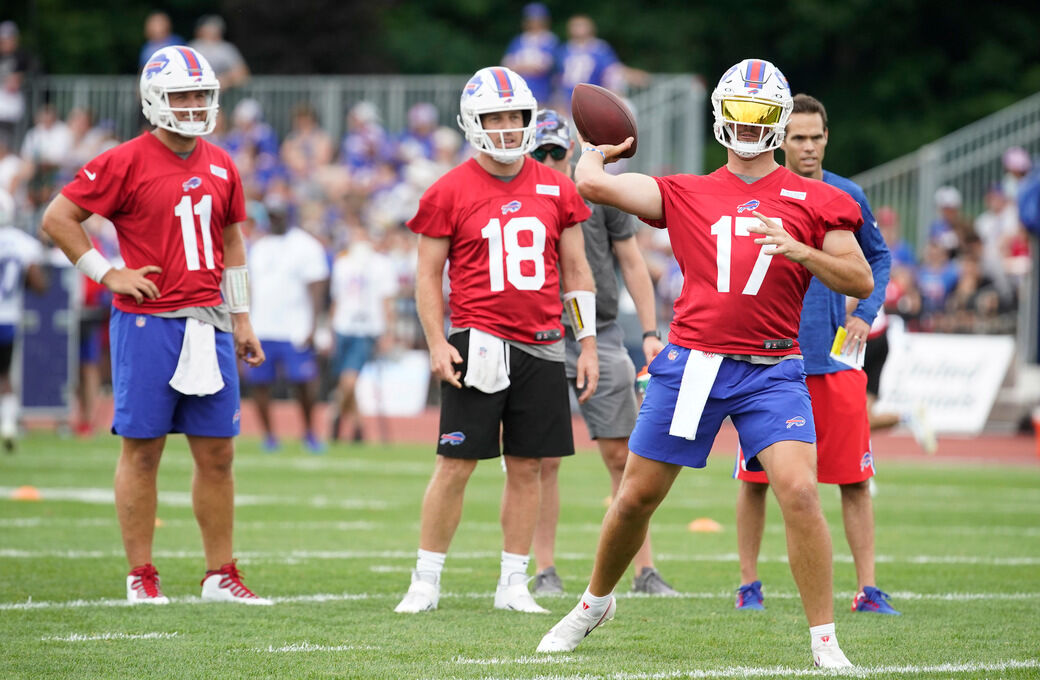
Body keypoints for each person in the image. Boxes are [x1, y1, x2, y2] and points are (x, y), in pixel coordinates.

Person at [537, 59, 873, 669]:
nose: (747, 126)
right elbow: (592, 185)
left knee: (799, 490)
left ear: (776, 121)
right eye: (738, 113)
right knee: (637, 497)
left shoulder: (817, 199)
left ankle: (825, 639)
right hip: (694, 362)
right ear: (721, 117)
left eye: (760, 114)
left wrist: (798, 249)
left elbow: (860, 276)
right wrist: (596, 147)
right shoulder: (687, 191)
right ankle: (593, 602)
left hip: (772, 368)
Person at [40, 45, 271, 605]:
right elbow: (58, 216)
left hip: (210, 322)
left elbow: (232, 240)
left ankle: (220, 575)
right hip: (149, 323)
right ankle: (141, 575)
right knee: (142, 450)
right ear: (154, 100)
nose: (193, 106)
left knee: (218, 453)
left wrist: (241, 317)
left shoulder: (220, 162)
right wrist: (107, 271)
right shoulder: (125, 159)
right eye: (182, 96)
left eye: (200, 95)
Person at [394, 66, 598, 615]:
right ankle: (426, 579)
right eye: (495, 117)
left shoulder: (558, 186)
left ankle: (513, 582)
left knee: (529, 465)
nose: (508, 128)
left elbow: (577, 271)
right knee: (455, 463)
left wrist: (590, 343)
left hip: (542, 343)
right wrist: (437, 341)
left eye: (515, 116)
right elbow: (426, 276)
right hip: (477, 339)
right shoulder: (447, 190)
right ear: (472, 122)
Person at [731, 93, 899, 619]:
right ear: (781, 138)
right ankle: (748, 586)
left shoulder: (846, 194)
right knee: (755, 481)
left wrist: (864, 313)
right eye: (797, 137)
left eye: (815, 136)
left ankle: (868, 589)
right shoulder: (761, 193)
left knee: (853, 477)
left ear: (827, 137)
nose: (807, 146)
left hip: (835, 360)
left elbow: (880, 256)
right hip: (769, 360)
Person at [525, 109, 675, 597]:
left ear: (571, 150)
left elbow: (631, 261)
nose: (548, 160)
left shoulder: (593, 191)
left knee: (623, 454)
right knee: (541, 459)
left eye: (555, 151)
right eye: (539, 152)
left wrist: (650, 330)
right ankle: (543, 569)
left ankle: (644, 571)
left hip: (604, 331)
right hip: (539, 334)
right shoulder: (516, 195)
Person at [244, 199, 329, 453]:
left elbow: (317, 287)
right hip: (262, 326)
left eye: (279, 215)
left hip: (295, 326)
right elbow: (250, 287)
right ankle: (269, 436)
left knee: (303, 381)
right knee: (259, 383)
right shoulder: (258, 247)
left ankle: (309, 432)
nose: (274, 220)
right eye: (271, 215)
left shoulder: (305, 245)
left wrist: (314, 325)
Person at [328, 225, 397, 444]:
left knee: (349, 379)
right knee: (347, 380)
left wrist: (388, 331)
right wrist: (330, 329)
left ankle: (336, 415)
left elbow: (387, 301)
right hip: (343, 325)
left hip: (367, 328)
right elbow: (337, 299)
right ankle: (358, 426)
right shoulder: (342, 264)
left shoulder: (381, 265)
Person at [0, 189, 46, 451]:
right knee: (4, 374)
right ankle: (7, 424)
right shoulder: (22, 242)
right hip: (7, 317)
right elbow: (38, 284)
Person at [555, 15, 648, 109]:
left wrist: (631, 75)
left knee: (627, 106)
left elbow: (612, 69)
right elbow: (559, 78)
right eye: (575, 25)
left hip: (594, 98)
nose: (578, 29)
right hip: (570, 100)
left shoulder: (599, 48)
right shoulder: (564, 50)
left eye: (581, 25)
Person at [502, 3, 559, 107]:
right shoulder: (518, 40)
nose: (534, 23)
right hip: (518, 90)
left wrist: (520, 66)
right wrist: (530, 66)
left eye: (538, 20)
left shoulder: (550, 40)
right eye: (531, 20)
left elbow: (544, 66)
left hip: (542, 92)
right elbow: (507, 65)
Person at [189, 15, 249, 90]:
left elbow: (242, 74)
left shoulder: (227, 48)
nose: (211, 32)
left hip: (224, 96)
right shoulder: (193, 47)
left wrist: (224, 80)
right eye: (208, 29)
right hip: (198, 91)